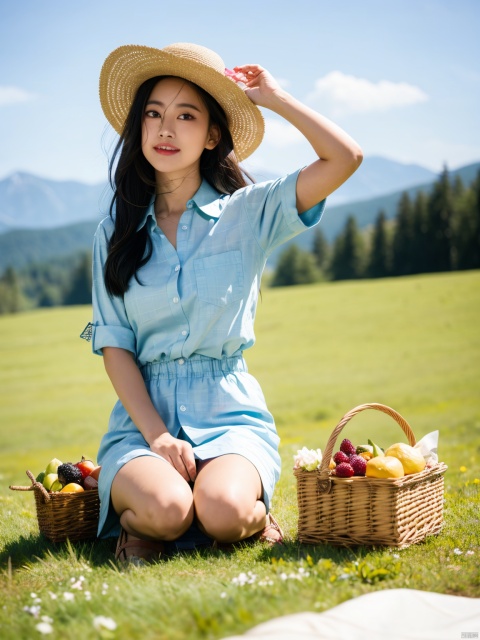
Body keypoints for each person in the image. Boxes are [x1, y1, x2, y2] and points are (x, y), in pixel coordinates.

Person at [84, 42, 362, 564]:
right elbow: (115, 346)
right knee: (166, 508)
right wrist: (159, 437)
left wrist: (275, 98)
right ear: (139, 128)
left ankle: (248, 519)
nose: (166, 129)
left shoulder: (250, 212)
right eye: (153, 114)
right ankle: (150, 523)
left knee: (224, 511)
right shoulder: (114, 233)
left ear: (213, 135)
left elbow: (345, 157)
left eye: (186, 115)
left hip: (231, 415)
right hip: (144, 422)